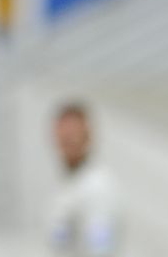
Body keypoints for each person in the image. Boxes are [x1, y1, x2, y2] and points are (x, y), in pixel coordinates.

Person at [48, 102, 121, 257]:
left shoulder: (99, 187)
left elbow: (102, 250)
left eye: (74, 134)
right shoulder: (64, 187)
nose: (68, 141)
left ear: (88, 135)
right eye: (64, 136)